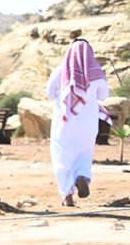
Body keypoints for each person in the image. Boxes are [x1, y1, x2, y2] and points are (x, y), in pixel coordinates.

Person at [47, 39, 110, 207]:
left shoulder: (60, 71)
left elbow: (50, 93)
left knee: (62, 155)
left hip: (65, 122)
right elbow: (103, 96)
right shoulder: (96, 73)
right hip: (88, 123)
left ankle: (67, 196)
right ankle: (82, 176)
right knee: (84, 153)